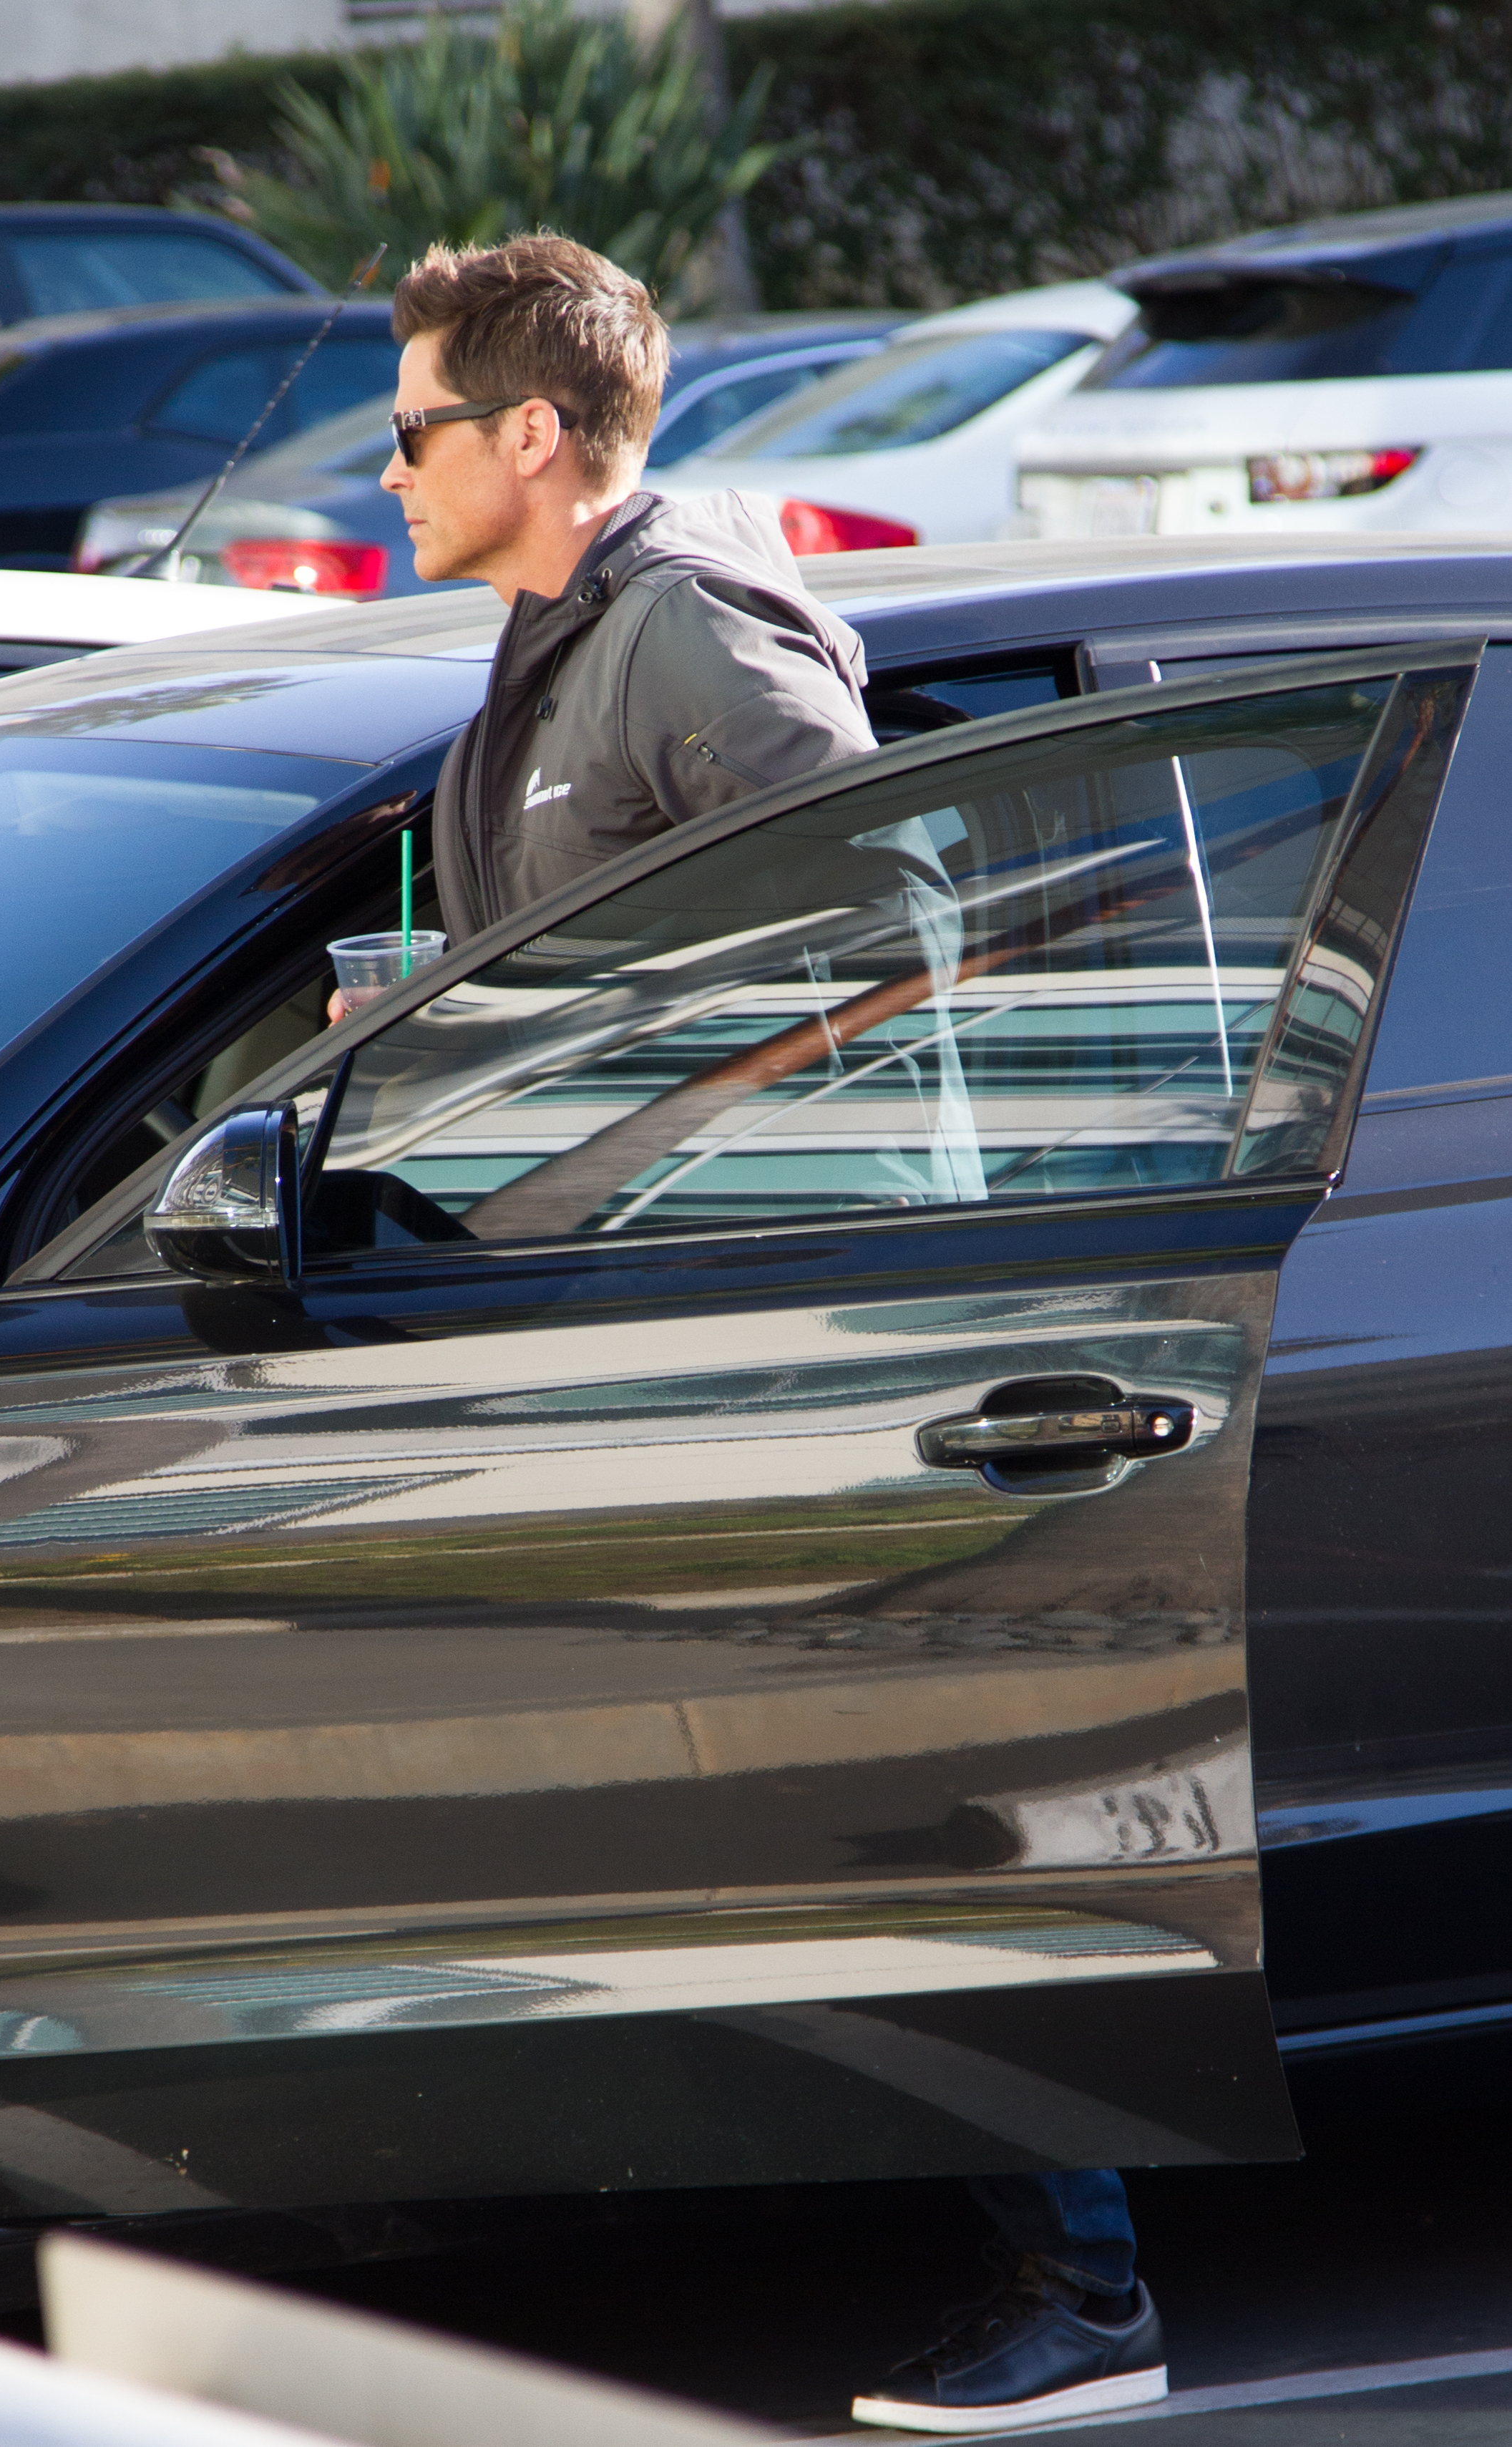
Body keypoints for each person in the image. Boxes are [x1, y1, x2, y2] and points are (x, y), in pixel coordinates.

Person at [376, 230, 1167, 2437]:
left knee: (895, 1813)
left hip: (790, 1323)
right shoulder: (542, 644)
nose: (390, 469)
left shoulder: (690, 630)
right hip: (617, 1321)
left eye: (416, 427)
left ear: (534, 434)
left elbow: (891, 927)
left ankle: (1087, 2286)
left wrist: (650, 1130)